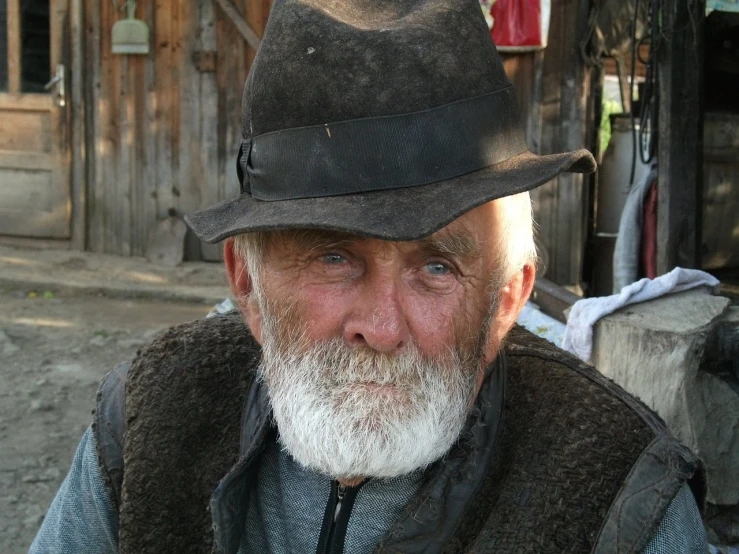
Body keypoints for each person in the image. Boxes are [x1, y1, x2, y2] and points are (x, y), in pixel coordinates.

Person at [31, 0, 707, 552]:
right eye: (333, 258)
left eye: (436, 267)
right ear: (246, 285)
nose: (380, 328)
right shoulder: (156, 414)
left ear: (506, 299)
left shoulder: (615, 493)